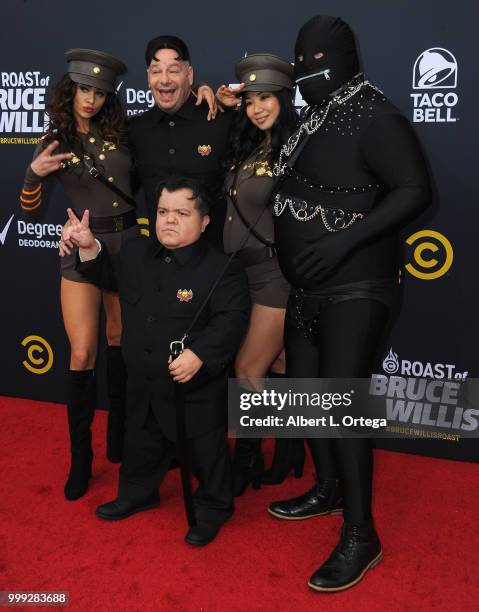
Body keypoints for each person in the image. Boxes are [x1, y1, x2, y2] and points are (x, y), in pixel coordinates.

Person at [268, 15, 431, 591]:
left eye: (306, 65)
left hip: (359, 287)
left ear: (329, 65)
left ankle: (362, 535)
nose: (298, 78)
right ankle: (328, 489)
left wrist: (342, 239)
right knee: (306, 399)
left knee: (339, 407)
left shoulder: (377, 116)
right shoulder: (317, 115)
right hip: (308, 288)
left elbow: (416, 189)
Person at [66, 176, 250, 546]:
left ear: (204, 221)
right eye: (164, 211)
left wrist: (200, 354)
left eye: (182, 213)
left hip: (194, 390)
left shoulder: (221, 267)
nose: (169, 220)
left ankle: (215, 507)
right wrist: (88, 247)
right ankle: (138, 492)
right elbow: (106, 274)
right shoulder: (136, 252)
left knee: (205, 450)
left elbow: (232, 318)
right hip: (144, 383)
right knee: (141, 440)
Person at [19, 49, 138, 501]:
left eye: (100, 92)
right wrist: (32, 175)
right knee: (83, 351)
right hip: (80, 250)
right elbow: (27, 210)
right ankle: (81, 457)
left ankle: (121, 438)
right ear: (70, 90)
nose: (90, 99)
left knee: (120, 342)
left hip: (125, 247)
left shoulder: (125, 134)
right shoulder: (54, 140)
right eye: (84, 89)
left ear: (109, 97)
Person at [219, 54, 305, 495]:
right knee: (276, 362)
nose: (257, 107)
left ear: (284, 99)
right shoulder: (249, 145)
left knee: (248, 367)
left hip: (274, 274)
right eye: (250, 100)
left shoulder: (298, 149)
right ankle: (290, 452)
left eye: (266, 97)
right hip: (240, 274)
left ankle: (247, 460)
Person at [128, 35, 234, 248]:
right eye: (156, 71)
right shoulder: (135, 129)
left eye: (174, 70)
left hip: (212, 262)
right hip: (156, 264)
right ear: (148, 77)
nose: (165, 79)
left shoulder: (221, 121)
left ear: (189, 74)